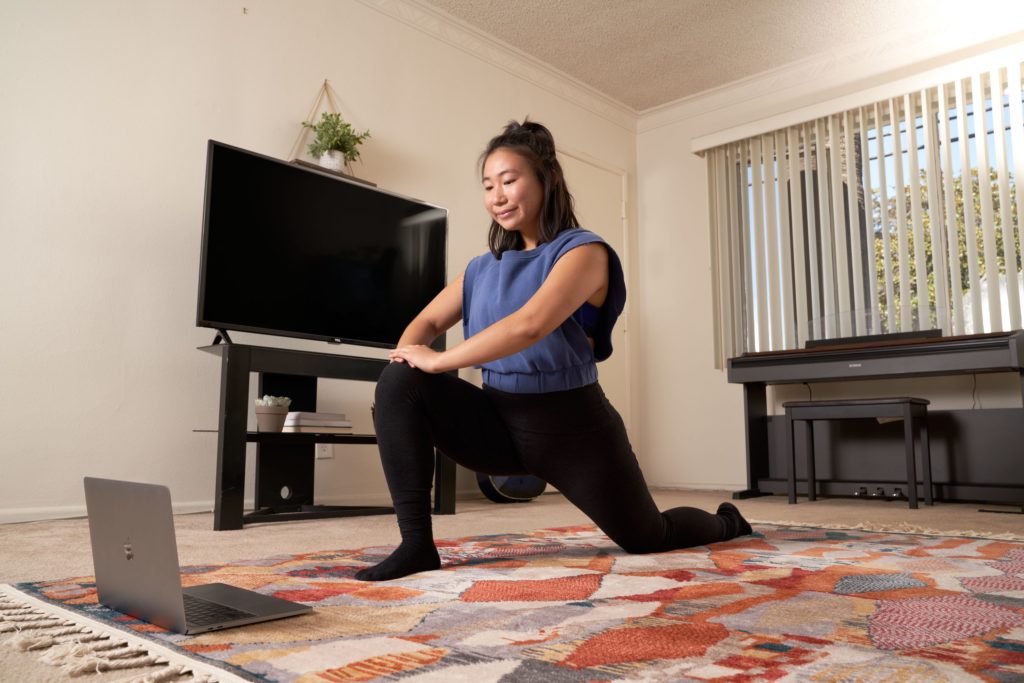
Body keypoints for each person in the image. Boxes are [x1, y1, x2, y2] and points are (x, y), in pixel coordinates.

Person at [354, 119, 751, 582]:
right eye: (488, 185)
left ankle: (728, 522)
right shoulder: (481, 269)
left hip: (573, 430)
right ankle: (416, 544)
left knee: (648, 536)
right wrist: (411, 355)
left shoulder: (583, 252)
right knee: (400, 379)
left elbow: (529, 326)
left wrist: (438, 361)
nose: (497, 196)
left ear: (547, 179)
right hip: (497, 424)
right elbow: (425, 322)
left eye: (509, 180)